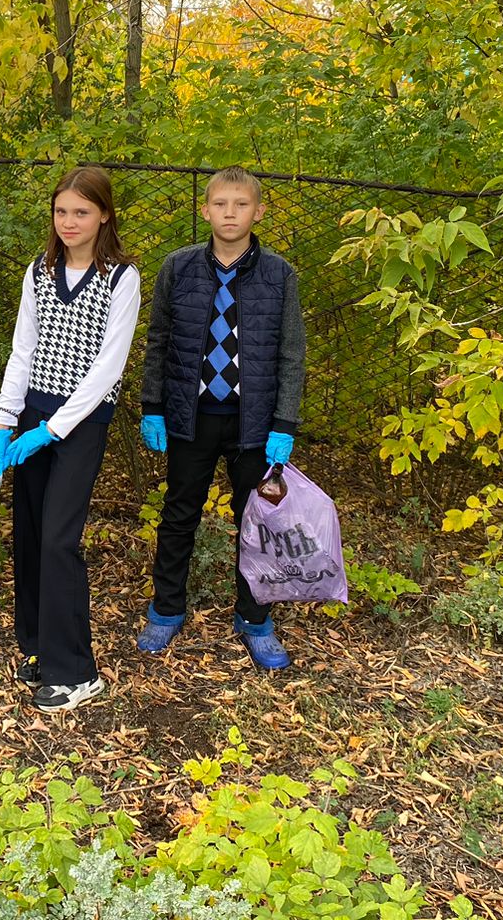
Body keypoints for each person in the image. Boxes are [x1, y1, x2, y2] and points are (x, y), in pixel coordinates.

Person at [136, 166, 305, 670]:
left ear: (258, 210)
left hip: (254, 425)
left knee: (258, 522)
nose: (230, 213)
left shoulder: (279, 274)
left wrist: (284, 422)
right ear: (205, 209)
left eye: (241, 204)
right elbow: (160, 340)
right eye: (220, 204)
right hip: (190, 418)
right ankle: (166, 608)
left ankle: (255, 619)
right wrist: (153, 407)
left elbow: (292, 354)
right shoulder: (178, 268)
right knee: (179, 512)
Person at [0, 167, 140, 713]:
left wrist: (51, 431)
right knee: (28, 535)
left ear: (104, 215)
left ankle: (76, 670)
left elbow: (108, 367)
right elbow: (23, 347)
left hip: (80, 423)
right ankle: (36, 649)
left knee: (58, 539)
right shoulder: (40, 270)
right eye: (61, 212)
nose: (70, 222)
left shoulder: (122, 277)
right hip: (33, 413)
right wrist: (5, 421)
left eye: (82, 211)